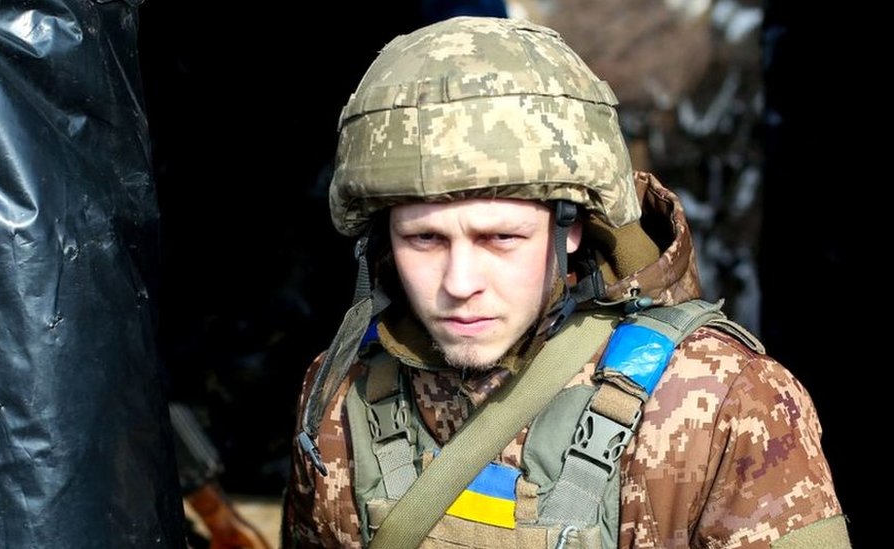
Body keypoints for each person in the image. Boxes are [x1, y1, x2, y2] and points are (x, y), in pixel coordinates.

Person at [281, 16, 851, 549]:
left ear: (571, 226)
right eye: (424, 240)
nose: (459, 282)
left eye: (500, 238)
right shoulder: (341, 392)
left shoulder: (721, 402)